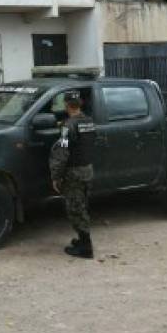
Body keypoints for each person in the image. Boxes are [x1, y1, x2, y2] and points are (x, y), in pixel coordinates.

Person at [48, 90, 95, 259]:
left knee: (75, 208)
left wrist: (56, 176)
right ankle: (82, 241)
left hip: (74, 173)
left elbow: (62, 152)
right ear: (80, 104)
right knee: (82, 205)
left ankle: (86, 248)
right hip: (87, 170)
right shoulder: (89, 121)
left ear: (67, 105)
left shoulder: (68, 126)